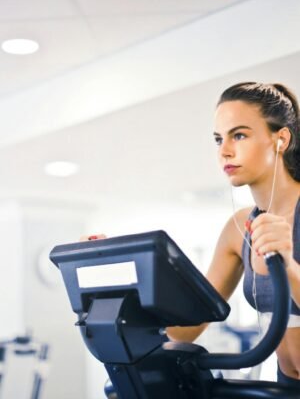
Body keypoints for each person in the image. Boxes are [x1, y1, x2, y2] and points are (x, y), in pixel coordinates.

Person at [82, 82, 300, 385]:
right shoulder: (239, 229)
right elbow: (190, 325)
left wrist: (287, 264)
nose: (224, 151)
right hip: (286, 385)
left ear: (281, 139)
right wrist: (110, 285)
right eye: (218, 139)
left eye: (239, 135)